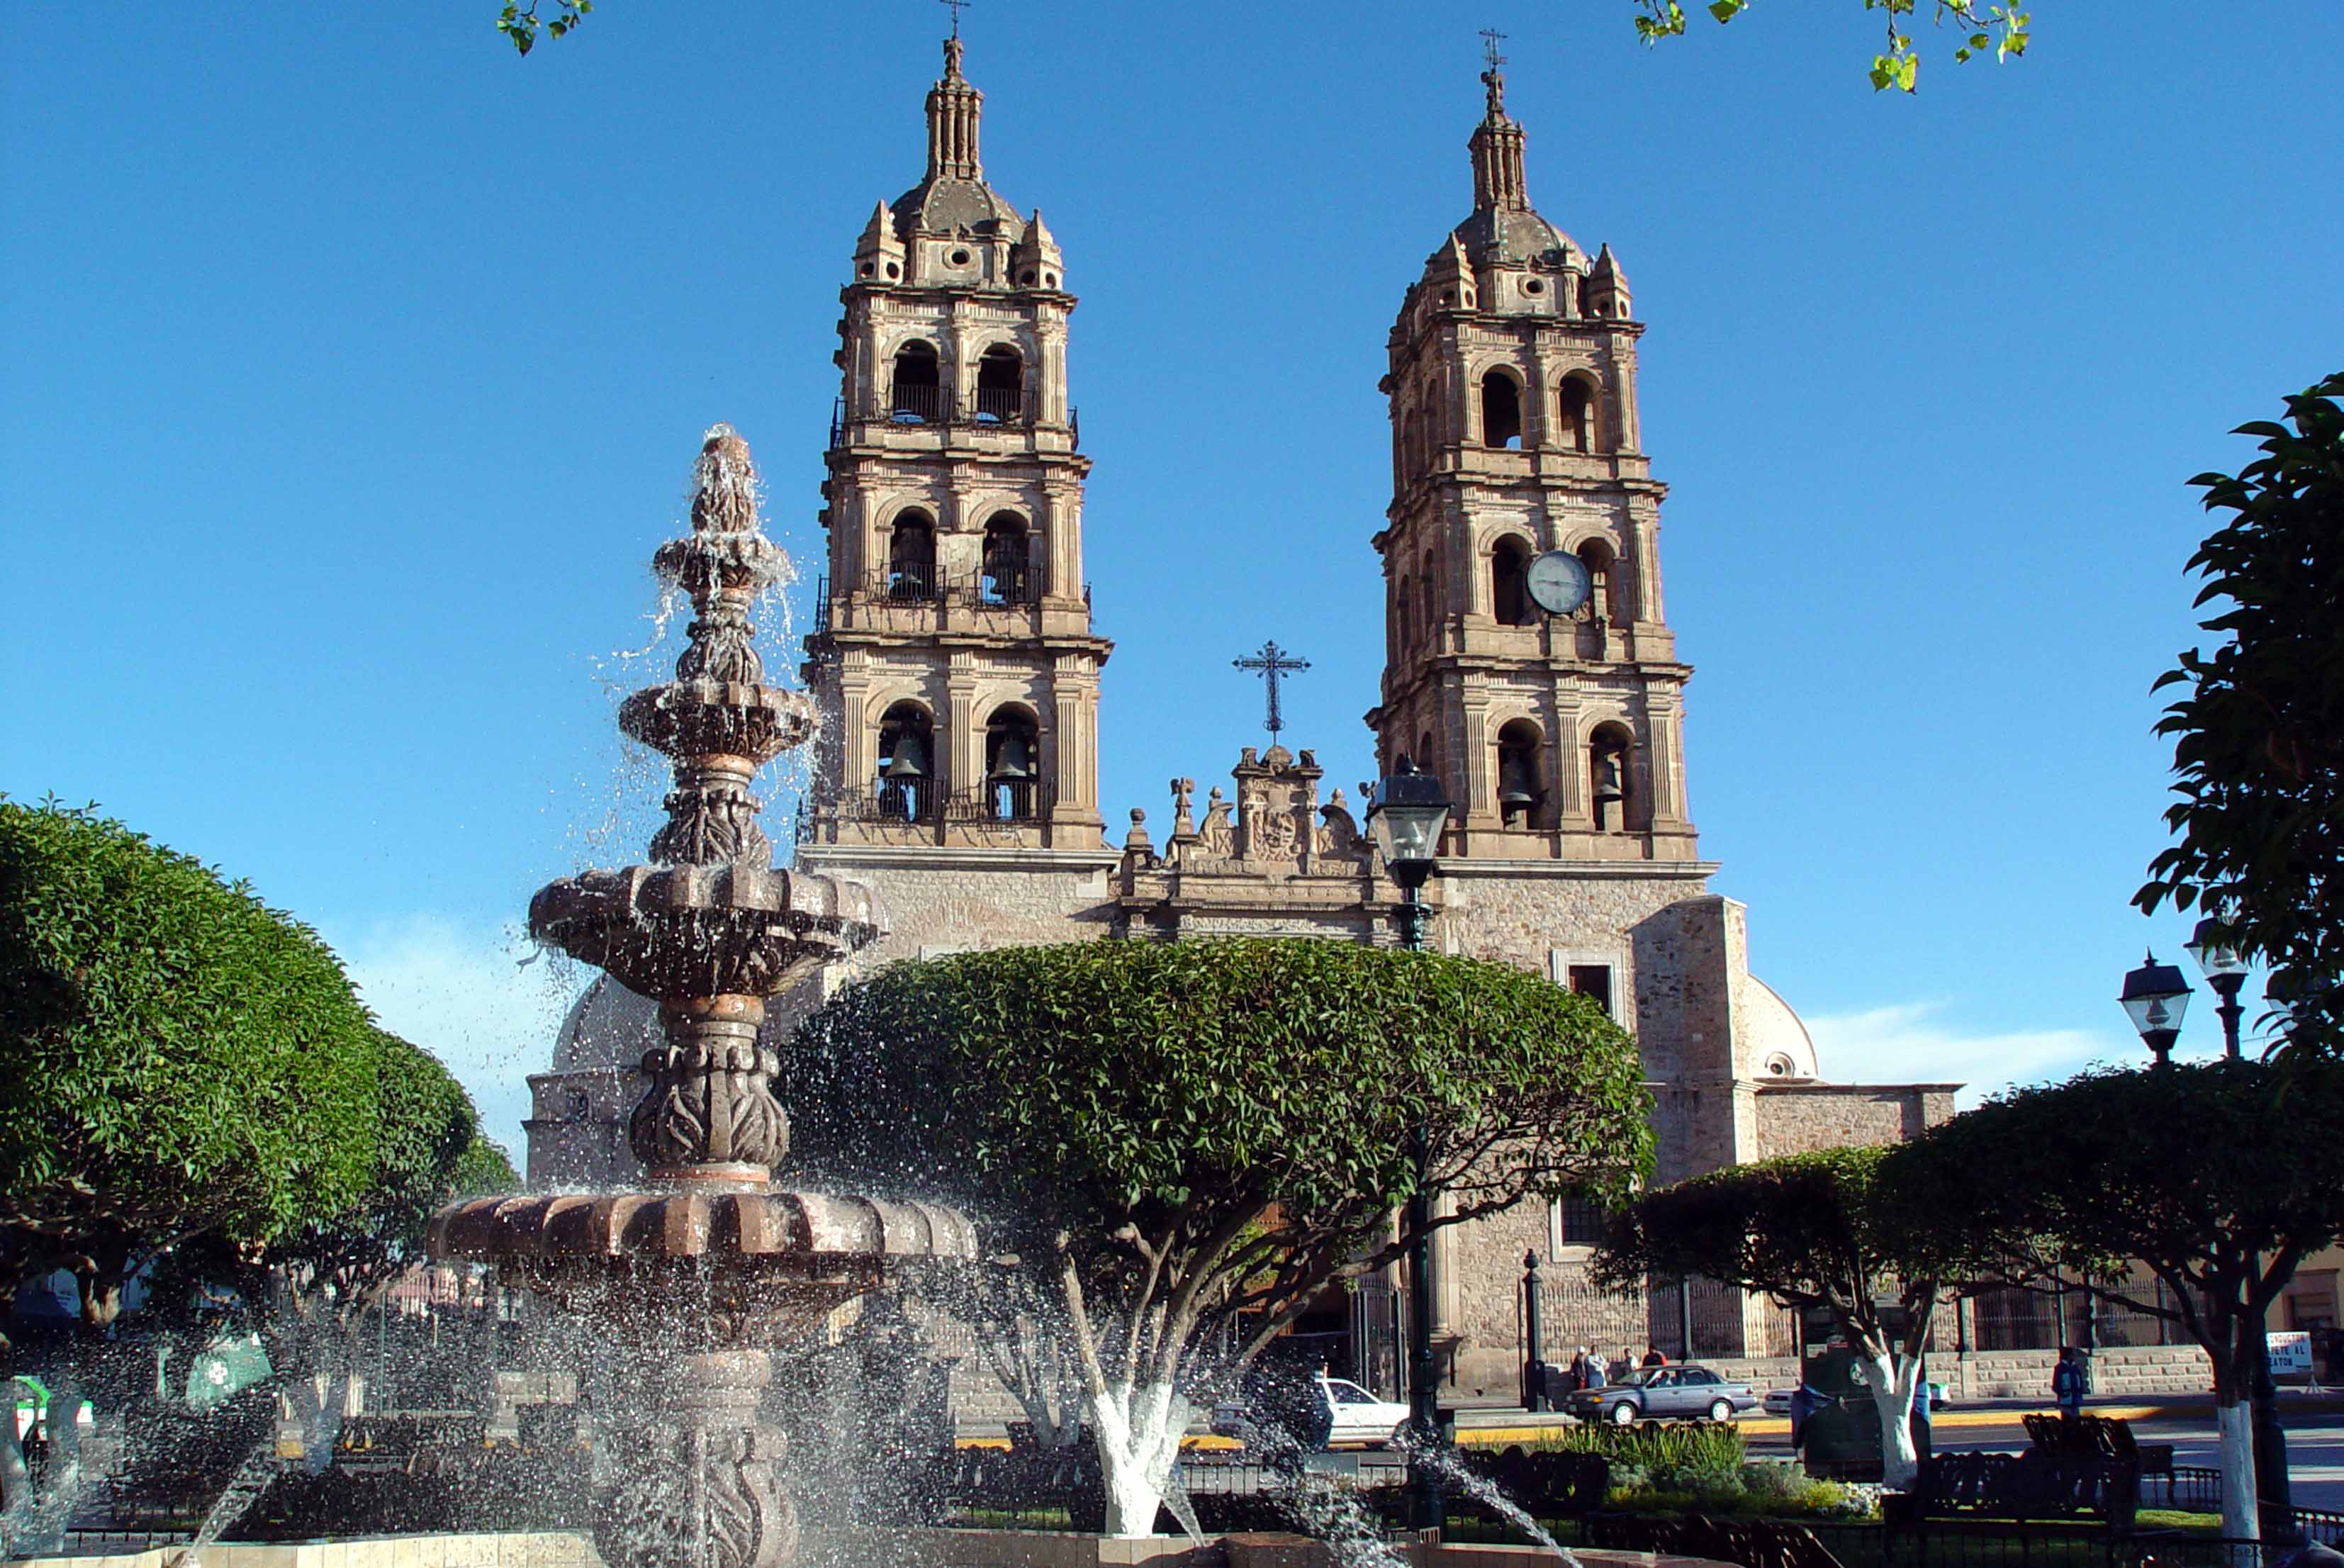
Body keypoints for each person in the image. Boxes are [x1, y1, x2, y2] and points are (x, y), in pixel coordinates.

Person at [2053, 1345, 2085, 1419]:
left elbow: (2080, 1381)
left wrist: (2080, 1392)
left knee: (2076, 1420)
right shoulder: (2060, 1368)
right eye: (2072, 1354)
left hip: (2076, 1400)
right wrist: (2062, 1394)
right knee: (2067, 1420)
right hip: (2066, 1401)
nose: (2073, 1356)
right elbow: (2056, 1385)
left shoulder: (2075, 1367)